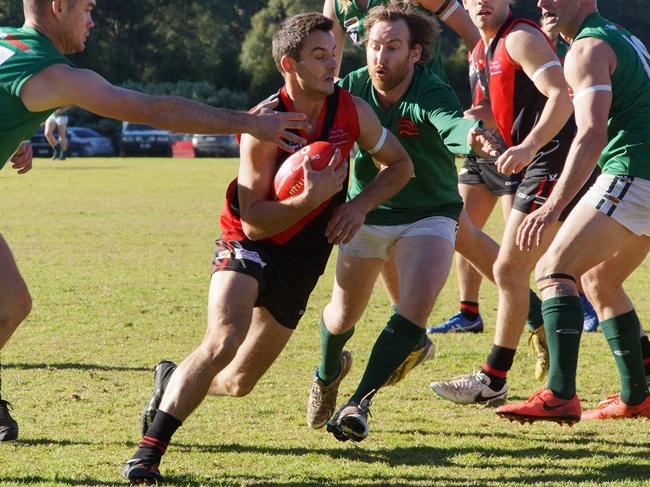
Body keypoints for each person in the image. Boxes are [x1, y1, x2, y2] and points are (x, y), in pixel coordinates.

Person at [0, 0, 314, 443]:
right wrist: (246, 122)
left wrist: (13, 134)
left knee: (11, 305)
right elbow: (154, 110)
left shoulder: (8, 43)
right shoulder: (54, 75)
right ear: (58, 7)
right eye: (87, 9)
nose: (93, 21)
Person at [121, 12, 415, 483]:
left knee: (238, 383)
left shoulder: (352, 111)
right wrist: (310, 198)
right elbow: (255, 222)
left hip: (303, 259)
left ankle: (171, 380)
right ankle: (148, 452)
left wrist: (357, 207)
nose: (332, 64)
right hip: (249, 244)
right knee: (224, 339)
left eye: (334, 53)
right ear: (289, 64)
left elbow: (400, 166)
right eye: (319, 56)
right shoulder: (262, 124)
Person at [305, 4, 500, 443]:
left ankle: (359, 402)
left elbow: (449, 124)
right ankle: (326, 373)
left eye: (393, 47)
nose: (381, 56)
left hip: (430, 212)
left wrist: (468, 136)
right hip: (366, 214)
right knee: (340, 317)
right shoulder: (350, 91)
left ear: (415, 53)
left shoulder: (432, 92)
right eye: (375, 46)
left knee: (414, 309)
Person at [429, 0, 595, 406]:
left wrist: (527, 145)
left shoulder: (520, 37)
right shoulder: (483, 47)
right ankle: (637, 366)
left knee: (517, 268)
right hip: (527, 160)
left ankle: (496, 377)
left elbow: (560, 96)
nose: (482, 1)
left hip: (550, 159)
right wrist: (485, 117)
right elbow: (513, 100)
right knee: (582, 277)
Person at [495, 0, 650, 423]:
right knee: (600, 280)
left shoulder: (588, 48)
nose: (543, 2)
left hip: (634, 172)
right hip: (642, 175)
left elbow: (591, 134)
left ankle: (559, 393)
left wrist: (552, 206)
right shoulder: (618, 37)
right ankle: (638, 396)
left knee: (552, 271)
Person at [539, 9, 600, 333]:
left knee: (561, 250)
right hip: (555, 148)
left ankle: (584, 301)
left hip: (582, 150)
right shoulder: (545, 42)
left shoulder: (586, 46)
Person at [324, 0, 480, 80]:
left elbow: (474, 36)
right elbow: (327, 71)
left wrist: (483, 97)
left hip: (430, 101)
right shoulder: (336, 4)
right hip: (381, 107)